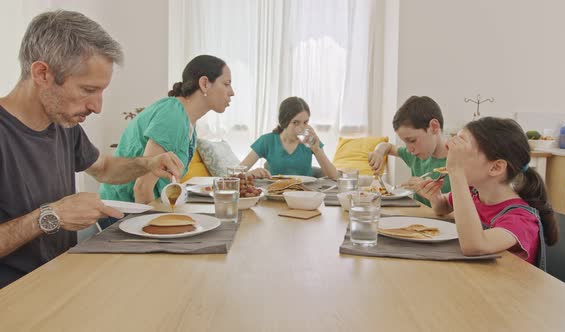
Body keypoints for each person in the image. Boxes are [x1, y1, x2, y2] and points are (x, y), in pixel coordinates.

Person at [0, 10, 184, 288]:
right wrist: (49, 216)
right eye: (88, 90)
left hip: (59, 282)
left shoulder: (63, 125)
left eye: (101, 92)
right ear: (42, 73)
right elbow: (51, 216)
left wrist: (147, 164)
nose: (97, 107)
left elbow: (105, 169)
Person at [416, 117, 558, 268]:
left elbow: (475, 246)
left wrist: (456, 171)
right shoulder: (474, 193)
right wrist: (435, 197)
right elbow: (443, 207)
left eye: (461, 152)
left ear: (496, 168)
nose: (451, 157)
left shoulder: (520, 219)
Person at [99, 55, 234, 205]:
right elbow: (142, 188)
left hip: (138, 206)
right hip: (121, 212)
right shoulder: (173, 117)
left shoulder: (186, 119)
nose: (232, 92)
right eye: (226, 84)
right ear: (204, 84)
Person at [368, 96, 449, 206]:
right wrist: (378, 152)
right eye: (405, 143)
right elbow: (388, 147)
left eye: (412, 140)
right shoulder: (416, 155)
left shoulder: (460, 163)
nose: (409, 149)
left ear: (434, 127)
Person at [241, 96, 338, 179]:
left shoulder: (311, 141)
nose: (301, 128)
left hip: (304, 195)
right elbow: (238, 173)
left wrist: (317, 150)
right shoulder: (267, 141)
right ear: (284, 122)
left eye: (305, 122)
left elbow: (335, 176)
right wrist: (250, 174)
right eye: (296, 123)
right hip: (274, 195)